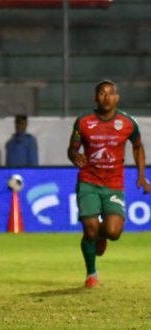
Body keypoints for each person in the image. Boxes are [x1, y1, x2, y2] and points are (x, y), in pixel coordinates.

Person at [67, 80, 149, 288]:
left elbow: (138, 146)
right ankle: (91, 273)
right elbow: (73, 148)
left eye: (110, 93)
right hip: (89, 182)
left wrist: (142, 176)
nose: (106, 96)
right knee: (90, 228)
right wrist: (74, 155)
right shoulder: (84, 122)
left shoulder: (127, 123)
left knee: (113, 232)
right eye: (102, 93)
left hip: (113, 183)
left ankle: (102, 238)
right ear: (96, 98)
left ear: (117, 98)